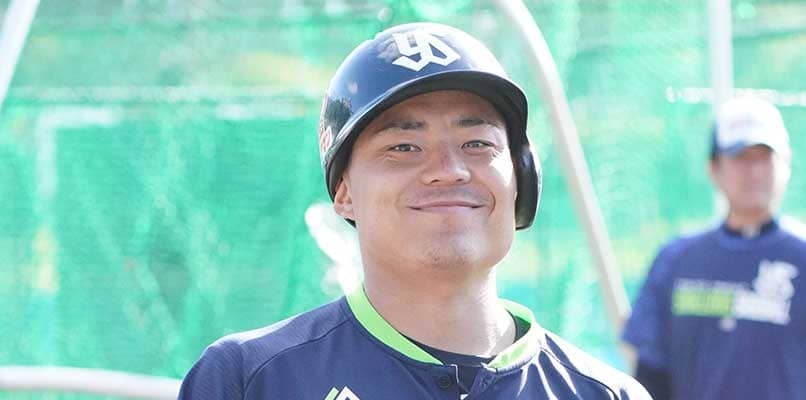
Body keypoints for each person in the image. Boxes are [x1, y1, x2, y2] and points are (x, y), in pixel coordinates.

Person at [178, 22, 650, 400]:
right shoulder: (249, 379)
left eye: (476, 143)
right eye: (403, 147)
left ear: (522, 179)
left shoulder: (605, 394)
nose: (449, 170)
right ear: (343, 192)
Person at [622, 96, 806, 400]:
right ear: (714, 168)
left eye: (764, 157)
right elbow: (650, 376)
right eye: (740, 157)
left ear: (786, 163)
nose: (754, 171)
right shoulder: (675, 261)